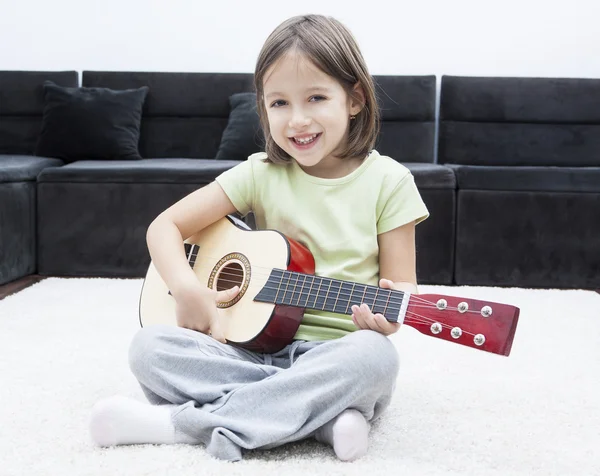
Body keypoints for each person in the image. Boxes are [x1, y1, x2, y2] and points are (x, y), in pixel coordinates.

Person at [89, 13, 429, 462]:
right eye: (279, 103)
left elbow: (402, 286)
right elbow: (164, 227)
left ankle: (178, 426)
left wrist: (389, 317)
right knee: (149, 348)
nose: (297, 120)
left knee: (375, 358)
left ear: (355, 99)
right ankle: (320, 420)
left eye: (315, 97)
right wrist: (188, 289)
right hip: (245, 349)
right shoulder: (260, 173)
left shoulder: (391, 182)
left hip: (334, 354)